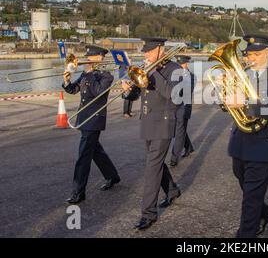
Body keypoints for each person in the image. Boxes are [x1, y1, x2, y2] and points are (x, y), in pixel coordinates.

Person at [225, 34, 268, 238]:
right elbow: (228, 104)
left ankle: (246, 235)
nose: (250, 58)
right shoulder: (242, 73)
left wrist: (244, 103)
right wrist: (225, 95)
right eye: (248, 54)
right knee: (246, 185)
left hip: (264, 141)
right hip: (240, 140)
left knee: (251, 196)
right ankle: (265, 213)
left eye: (255, 54)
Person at [122, 38, 182, 231]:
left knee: (151, 166)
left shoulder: (174, 69)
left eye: (148, 51)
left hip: (163, 123)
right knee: (154, 161)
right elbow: (136, 94)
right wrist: (127, 92)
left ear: (160, 49)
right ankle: (172, 190)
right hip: (147, 121)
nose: (145, 55)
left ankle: (148, 213)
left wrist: (154, 73)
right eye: (145, 51)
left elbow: (175, 96)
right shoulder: (145, 67)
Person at [63, 45, 121, 204]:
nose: (87, 59)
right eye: (87, 57)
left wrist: (89, 74)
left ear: (100, 58)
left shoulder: (106, 76)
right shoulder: (86, 72)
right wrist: (67, 80)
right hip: (84, 118)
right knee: (95, 150)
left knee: (83, 156)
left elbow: (97, 93)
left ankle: (78, 192)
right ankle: (112, 176)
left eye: (91, 57)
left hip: (94, 119)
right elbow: (73, 90)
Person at [170, 55, 195, 167]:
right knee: (179, 130)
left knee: (179, 132)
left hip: (184, 107)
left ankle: (174, 158)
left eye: (181, 64)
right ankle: (189, 147)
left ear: (186, 64)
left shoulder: (191, 76)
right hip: (174, 107)